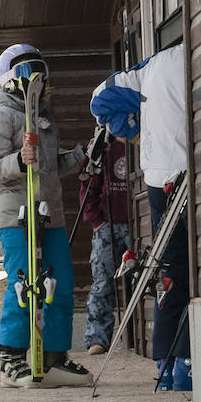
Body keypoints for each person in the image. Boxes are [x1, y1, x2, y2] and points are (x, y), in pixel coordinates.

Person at [0, 43, 92, 388]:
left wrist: (83, 155)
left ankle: (54, 356)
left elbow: (51, 166)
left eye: (40, 73)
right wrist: (18, 160)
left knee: (59, 285)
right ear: (10, 79)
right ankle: (11, 359)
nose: (36, 81)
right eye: (29, 73)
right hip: (17, 213)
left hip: (50, 212)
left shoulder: (42, 114)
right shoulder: (0, 114)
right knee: (24, 284)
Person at [89, 44, 191, 391]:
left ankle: (168, 365)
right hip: (190, 171)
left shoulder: (152, 66)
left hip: (156, 176)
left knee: (170, 270)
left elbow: (100, 98)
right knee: (198, 268)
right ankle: (186, 364)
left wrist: (132, 130)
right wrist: (133, 129)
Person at [77, 133, 131, 354]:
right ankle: (97, 338)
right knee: (103, 282)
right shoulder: (101, 147)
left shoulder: (141, 141)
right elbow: (87, 184)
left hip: (137, 223)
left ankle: (140, 335)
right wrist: (96, 220)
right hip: (107, 225)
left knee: (141, 280)